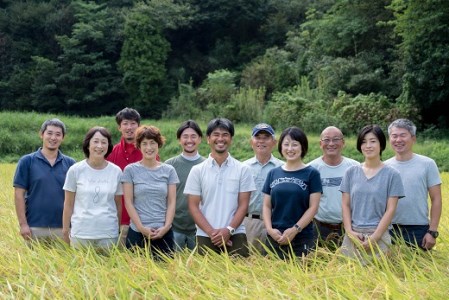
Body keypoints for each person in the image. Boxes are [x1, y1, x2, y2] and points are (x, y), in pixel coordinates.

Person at [184, 118, 256, 257]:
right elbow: (193, 206)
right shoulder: (197, 170)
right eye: (216, 134)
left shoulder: (243, 169)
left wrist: (228, 230)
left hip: (236, 233)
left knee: (241, 276)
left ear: (231, 139)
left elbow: (243, 205)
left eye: (225, 135)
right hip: (205, 234)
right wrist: (212, 233)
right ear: (208, 139)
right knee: (204, 278)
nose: (220, 139)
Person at [340, 125, 404, 262]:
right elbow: (345, 204)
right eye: (364, 141)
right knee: (348, 278)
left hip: (379, 235)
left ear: (381, 144)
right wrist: (349, 232)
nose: (368, 145)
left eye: (373, 141)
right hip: (354, 235)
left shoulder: (392, 174)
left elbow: (391, 209)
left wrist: (375, 237)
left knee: (380, 278)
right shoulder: (350, 172)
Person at [262, 126, 322, 259]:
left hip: (302, 237)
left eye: (295, 144)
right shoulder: (273, 173)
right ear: (281, 147)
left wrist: (295, 229)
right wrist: (270, 229)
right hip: (275, 236)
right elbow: (266, 205)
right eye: (286, 144)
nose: (290, 149)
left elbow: (313, 207)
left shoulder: (312, 173)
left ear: (303, 147)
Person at [13, 118, 76, 244]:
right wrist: (23, 225)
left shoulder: (71, 164)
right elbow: (18, 194)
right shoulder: (27, 161)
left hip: (64, 229)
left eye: (58, 134)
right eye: (49, 133)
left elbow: (77, 197)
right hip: (34, 228)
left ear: (63, 138)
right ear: (41, 134)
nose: (53, 137)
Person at [122, 125, 179, 258]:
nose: (149, 148)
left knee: (166, 275)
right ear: (139, 146)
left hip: (163, 233)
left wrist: (166, 227)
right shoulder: (130, 170)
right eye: (144, 143)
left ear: (158, 144)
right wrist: (141, 228)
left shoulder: (169, 170)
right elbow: (128, 202)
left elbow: (171, 202)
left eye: (152, 143)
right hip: (137, 232)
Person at [62, 127, 123, 251]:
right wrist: (65, 230)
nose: (99, 146)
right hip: (81, 233)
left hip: (108, 234)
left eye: (104, 142)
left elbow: (118, 204)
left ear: (108, 146)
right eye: (95, 141)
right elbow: (68, 204)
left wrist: (117, 229)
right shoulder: (75, 170)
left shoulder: (116, 171)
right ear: (88, 144)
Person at [385, 119, 442, 250]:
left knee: (419, 269)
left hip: (419, 230)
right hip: (389, 228)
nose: (398, 140)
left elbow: (436, 199)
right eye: (394, 136)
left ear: (413, 138)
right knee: (389, 268)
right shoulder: (385, 167)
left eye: (403, 135)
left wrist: (432, 231)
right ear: (390, 139)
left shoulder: (427, 164)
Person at [106, 108, 156, 246]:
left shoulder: (149, 152)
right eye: (125, 123)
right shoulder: (111, 153)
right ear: (119, 127)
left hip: (146, 221)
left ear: (138, 126)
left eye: (133, 123)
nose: (129, 127)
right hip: (119, 221)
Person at [307, 126, 359, 250]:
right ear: (320, 143)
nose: (331, 143)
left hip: (349, 229)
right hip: (318, 228)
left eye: (336, 139)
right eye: (326, 140)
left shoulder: (355, 167)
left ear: (343, 143)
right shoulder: (311, 169)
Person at [242, 123, 284, 254]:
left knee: (274, 263)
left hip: (276, 224)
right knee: (247, 264)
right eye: (257, 137)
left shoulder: (283, 168)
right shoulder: (243, 168)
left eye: (266, 137)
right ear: (251, 142)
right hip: (249, 222)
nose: (261, 141)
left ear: (274, 142)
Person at [165, 120, 205, 251]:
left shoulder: (207, 165)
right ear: (179, 140)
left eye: (193, 136)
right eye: (185, 136)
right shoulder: (169, 165)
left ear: (200, 139)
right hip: (174, 226)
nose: (189, 140)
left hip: (200, 228)